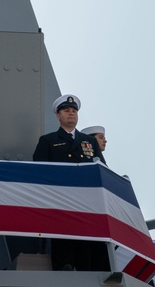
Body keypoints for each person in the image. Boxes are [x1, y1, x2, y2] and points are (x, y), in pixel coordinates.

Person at [33, 94, 108, 272]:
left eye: (74, 111)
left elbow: (101, 168)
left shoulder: (88, 141)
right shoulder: (48, 141)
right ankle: (63, 265)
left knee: (85, 236)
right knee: (63, 232)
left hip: (86, 198)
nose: (71, 114)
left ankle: (85, 267)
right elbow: (38, 169)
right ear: (58, 115)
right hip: (60, 197)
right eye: (66, 111)